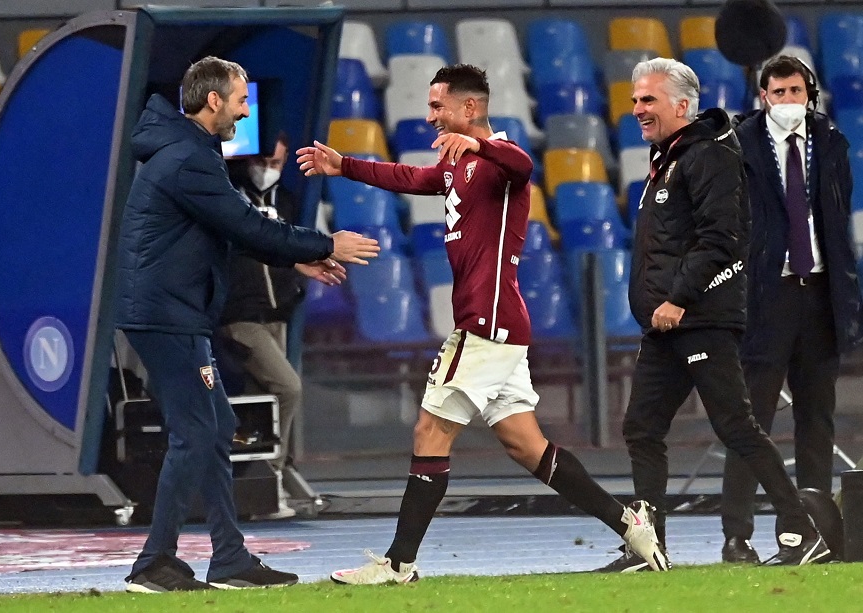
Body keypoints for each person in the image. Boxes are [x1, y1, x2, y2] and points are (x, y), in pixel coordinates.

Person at [296, 63, 667, 585]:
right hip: (499, 326)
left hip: (486, 325)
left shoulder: (499, 159)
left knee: (430, 429)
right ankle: (631, 526)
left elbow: (522, 164)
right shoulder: (455, 161)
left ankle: (399, 563)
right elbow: (411, 177)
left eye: (437, 106)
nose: (429, 117)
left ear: (469, 107)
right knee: (526, 446)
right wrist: (345, 165)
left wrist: (480, 147)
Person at [115, 56, 380, 592]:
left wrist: (296, 258)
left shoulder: (187, 152)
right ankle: (153, 564)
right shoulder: (189, 158)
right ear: (213, 100)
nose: (243, 110)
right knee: (196, 433)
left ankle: (229, 559)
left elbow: (233, 227)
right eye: (239, 100)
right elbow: (243, 223)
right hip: (167, 316)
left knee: (213, 429)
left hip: (173, 312)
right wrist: (325, 243)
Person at [599, 57, 831, 572]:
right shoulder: (670, 158)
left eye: (648, 100)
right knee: (642, 427)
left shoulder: (708, 157)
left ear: (682, 105)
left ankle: (802, 530)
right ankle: (649, 546)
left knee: (737, 426)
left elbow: (721, 239)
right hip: (667, 322)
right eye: (635, 99)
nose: (637, 109)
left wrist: (678, 298)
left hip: (697, 317)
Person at [719, 56, 863, 563]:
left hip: (820, 295)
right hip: (765, 298)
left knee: (816, 421)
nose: (787, 101)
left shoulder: (831, 142)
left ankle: (811, 535)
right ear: (762, 97)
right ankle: (737, 535)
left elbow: (839, 226)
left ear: (811, 93)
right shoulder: (740, 146)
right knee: (750, 420)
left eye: (795, 91)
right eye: (777, 92)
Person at [220, 134, 317, 520]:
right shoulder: (228, 196)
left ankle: (250, 488)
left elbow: (289, 250)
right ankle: (271, 480)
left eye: (276, 164)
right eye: (263, 162)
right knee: (287, 387)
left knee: (263, 401)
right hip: (239, 316)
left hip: (277, 315)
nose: (268, 170)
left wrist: (297, 282)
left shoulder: (287, 201)